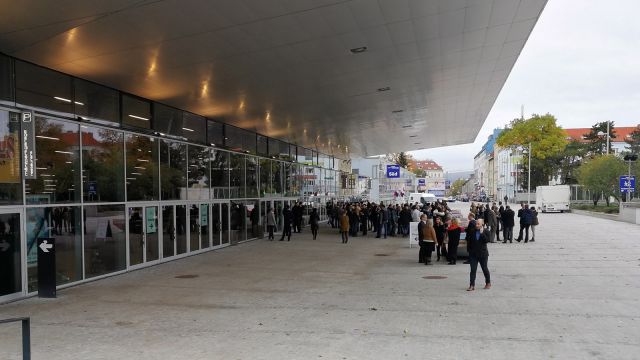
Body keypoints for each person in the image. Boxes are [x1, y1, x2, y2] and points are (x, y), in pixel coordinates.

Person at [467, 219, 491, 291]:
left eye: (478, 224)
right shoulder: (472, 231)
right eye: (476, 224)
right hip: (473, 254)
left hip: (483, 254)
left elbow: (487, 240)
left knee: (484, 269)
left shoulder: (486, 231)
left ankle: (488, 282)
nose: (476, 225)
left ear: (482, 224)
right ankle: (472, 285)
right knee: (473, 270)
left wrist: (482, 233)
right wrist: (469, 251)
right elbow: (469, 240)